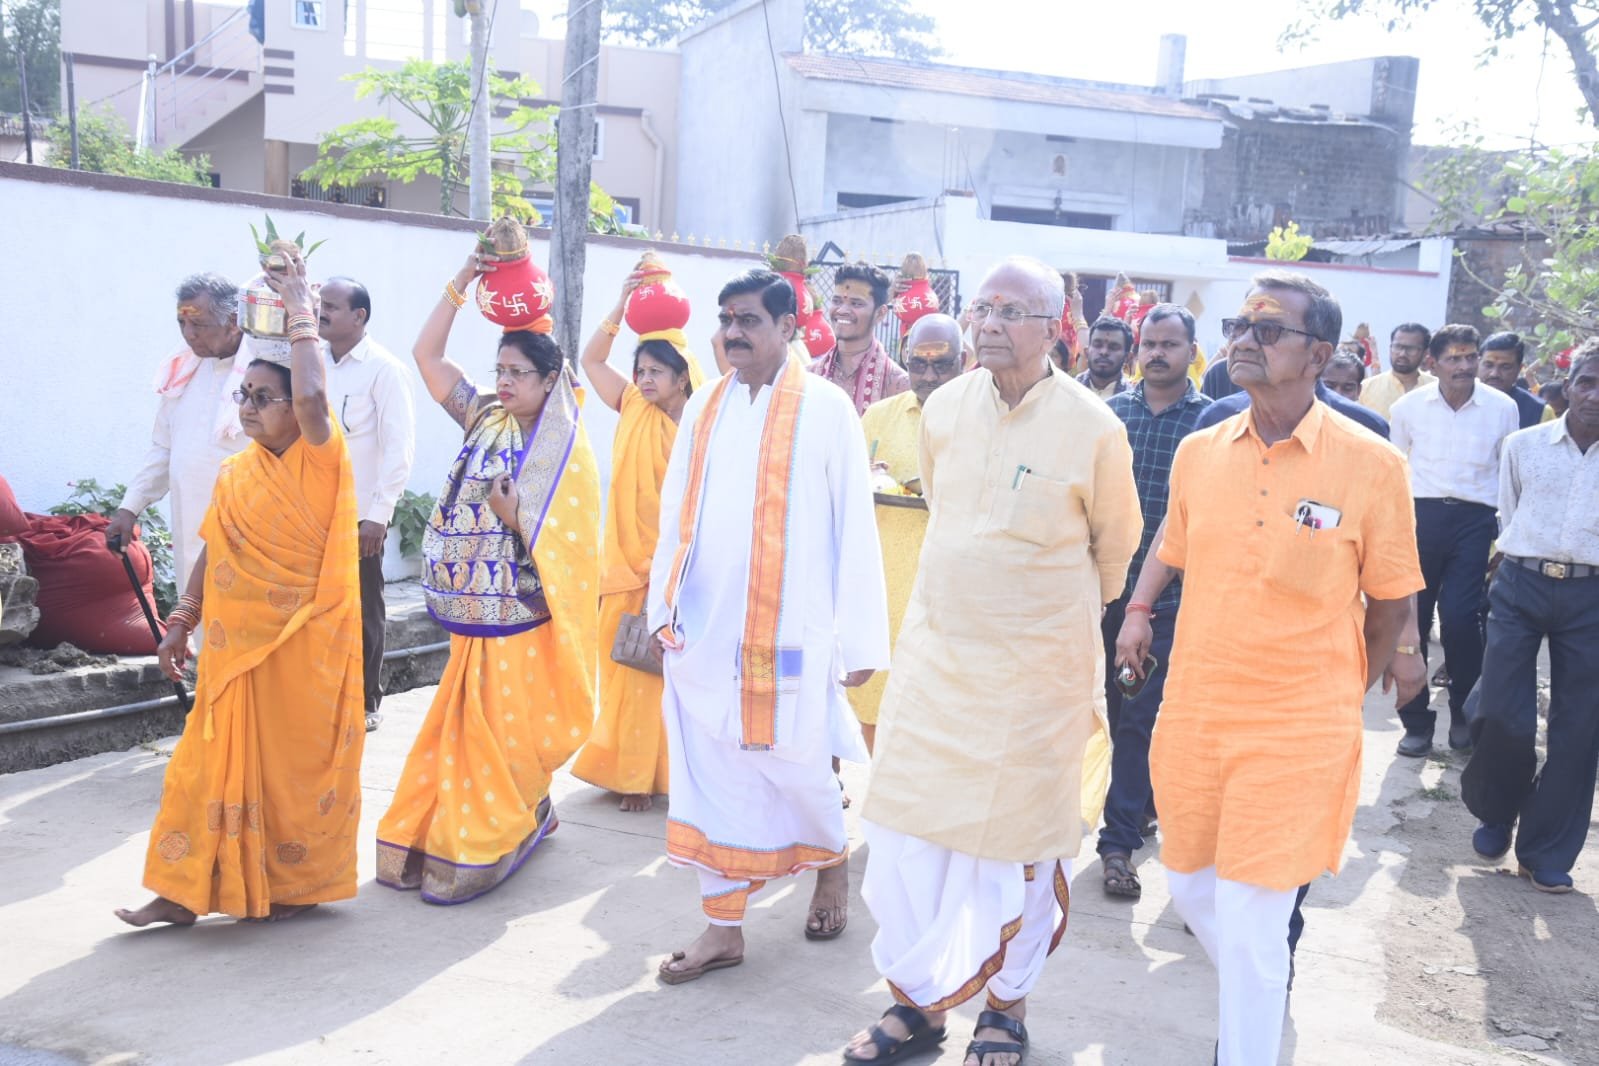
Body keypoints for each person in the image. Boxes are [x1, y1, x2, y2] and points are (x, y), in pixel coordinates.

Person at [844, 258, 1142, 1066]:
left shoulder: (1093, 427)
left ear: (1052, 328)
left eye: (1011, 310)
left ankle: (1005, 1009)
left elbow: (1114, 549)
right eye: (982, 308)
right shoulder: (944, 408)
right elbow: (944, 508)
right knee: (908, 839)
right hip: (937, 663)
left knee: (1015, 847)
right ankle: (916, 1007)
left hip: (1033, 677)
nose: (989, 323)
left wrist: (1040, 614)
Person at [1128, 271, 1422, 1066]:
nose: (1244, 341)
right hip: (1197, 708)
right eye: (1239, 326)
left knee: (1254, 913)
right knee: (1192, 887)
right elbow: (1171, 547)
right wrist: (1136, 610)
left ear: (1318, 355)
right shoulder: (1199, 452)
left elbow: (1390, 599)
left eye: (1268, 330)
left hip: (1298, 720)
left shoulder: (1371, 464)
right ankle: (1255, 1007)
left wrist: (1341, 692)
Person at [651, 269, 889, 982]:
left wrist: (859, 637)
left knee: (797, 766)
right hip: (703, 631)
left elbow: (854, 525)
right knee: (710, 777)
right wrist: (663, 608)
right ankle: (723, 927)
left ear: (787, 327)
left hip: (786, 633)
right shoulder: (704, 405)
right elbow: (674, 512)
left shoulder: (827, 409)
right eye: (726, 319)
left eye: (748, 319)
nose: (732, 333)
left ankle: (830, 866)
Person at [115, 249, 363, 927]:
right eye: (243, 396)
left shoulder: (321, 459)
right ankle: (181, 890)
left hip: (299, 649)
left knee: (288, 773)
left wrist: (301, 310)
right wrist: (180, 619)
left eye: (262, 398)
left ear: (296, 409)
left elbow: (312, 397)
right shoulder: (238, 472)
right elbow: (213, 547)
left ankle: (291, 883)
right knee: (202, 765)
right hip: (231, 651)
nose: (248, 408)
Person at [375, 248, 599, 904]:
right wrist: (463, 279)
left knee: (504, 730)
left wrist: (515, 517)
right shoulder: (486, 417)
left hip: (523, 616)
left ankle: (497, 830)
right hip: (473, 610)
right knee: (463, 725)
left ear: (549, 379)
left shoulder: (564, 446)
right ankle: (462, 824)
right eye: (499, 369)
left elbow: (575, 545)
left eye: (517, 373)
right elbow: (426, 356)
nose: (503, 381)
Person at [1461, 341, 1599, 893]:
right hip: (1522, 582)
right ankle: (1498, 810)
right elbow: (1509, 512)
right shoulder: (1524, 445)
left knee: (1579, 726)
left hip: (1592, 595)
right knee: (1500, 711)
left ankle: (1545, 850)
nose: (1595, 395)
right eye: (1587, 381)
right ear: (1569, 385)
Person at [571, 271, 704, 812]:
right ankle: (626, 772)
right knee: (624, 672)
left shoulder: (702, 423)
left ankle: (656, 777)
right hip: (623, 568)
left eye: (656, 372)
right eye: (641, 370)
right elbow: (591, 360)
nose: (645, 379)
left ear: (682, 376)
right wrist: (622, 303)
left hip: (676, 570)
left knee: (663, 679)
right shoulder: (631, 405)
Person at [1096, 305, 1211, 901]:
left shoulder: (1209, 424)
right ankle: (1135, 804)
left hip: (1170, 599)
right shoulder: (1110, 415)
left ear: (1192, 351)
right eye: (1149, 343)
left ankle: (1118, 845)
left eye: (1170, 344)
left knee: (1140, 716)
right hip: (1104, 592)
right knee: (1108, 709)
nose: (1157, 354)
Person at [1389, 324, 1520, 756]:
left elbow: (1508, 475)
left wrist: (1506, 538)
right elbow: (1394, 470)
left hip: (1475, 520)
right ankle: (1416, 723)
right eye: (1454, 358)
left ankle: (1464, 713)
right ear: (1434, 362)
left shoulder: (1502, 407)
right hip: (1420, 518)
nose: (1464, 366)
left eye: (1470, 357)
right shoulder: (1408, 407)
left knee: (1462, 620)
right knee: (1412, 620)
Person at [851, 313, 964, 753]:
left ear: (964, 361)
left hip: (949, 596)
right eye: (919, 364)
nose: (929, 375)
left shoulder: (983, 419)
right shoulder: (879, 417)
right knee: (875, 709)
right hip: (886, 590)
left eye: (942, 364)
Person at [318, 276, 416, 733]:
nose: (321, 311)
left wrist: (379, 516)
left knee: (362, 609)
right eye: (320, 303)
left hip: (359, 517)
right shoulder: (311, 363)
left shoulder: (384, 370)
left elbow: (399, 449)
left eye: (332, 306)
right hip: (311, 511)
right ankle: (320, 697)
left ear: (359, 316)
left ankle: (364, 701)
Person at [108, 275, 251, 590]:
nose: (188, 334)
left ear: (232, 322)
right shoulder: (183, 370)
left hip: (248, 529)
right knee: (193, 604)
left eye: (198, 324)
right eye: (182, 324)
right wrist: (129, 507)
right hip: (191, 525)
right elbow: (164, 449)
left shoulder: (264, 375)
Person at [811, 261, 910, 415]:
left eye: (856, 304)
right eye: (837, 301)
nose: (842, 310)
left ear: (880, 313)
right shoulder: (808, 378)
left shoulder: (899, 385)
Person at [1359, 323, 1434, 418]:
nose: (1402, 354)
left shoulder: (1437, 388)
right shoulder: (1366, 388)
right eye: (1397, 347)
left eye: (1411, 349)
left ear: (1425, 353)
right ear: (1390, 348)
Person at [1478, 331, 1548, 429]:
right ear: (1477, 363)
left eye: (1505, 367)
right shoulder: (1460, 400)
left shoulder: (1539, 411)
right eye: (1488, 365)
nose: (1494, 374)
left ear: (1519, 369)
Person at [1076, 315, 1133, 400]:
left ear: (1127, 357)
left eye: (1113, 347)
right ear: (1087, 352)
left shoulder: (1133, 400)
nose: (1104, 352)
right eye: (1097, 345)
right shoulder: (1067, 390)